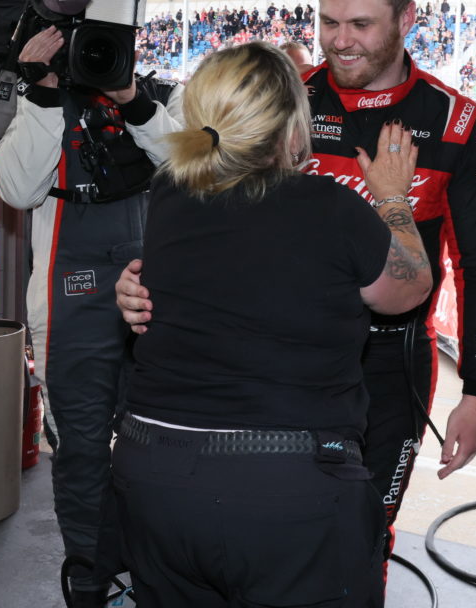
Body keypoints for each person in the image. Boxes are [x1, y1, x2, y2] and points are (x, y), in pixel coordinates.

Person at [118, 0, 476, 591]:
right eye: (328, 21)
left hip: (389, 374)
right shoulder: (279, 105)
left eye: (361, 24)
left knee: (363, 538)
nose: (341, 40)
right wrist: (139, 283)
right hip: (274, 384)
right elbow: (201, 219)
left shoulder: (453, 123)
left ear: (407, 19)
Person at [113, 41, 431, 607]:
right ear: (289, 130)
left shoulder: (169, 191)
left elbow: (195, 281)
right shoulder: (329, 206)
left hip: (154, 473)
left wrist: (133, 291)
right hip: (286, 489)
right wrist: (391, 200)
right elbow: (406, 289)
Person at [0, 24, 183, 606]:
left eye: (106, 42)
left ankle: (162, 571)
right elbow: (16, 188)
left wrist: (132, 99)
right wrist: (43, 93)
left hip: (155, 292)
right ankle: (90, 578)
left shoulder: (158, 96)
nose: (92, 56)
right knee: (82, 449)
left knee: (164, 441)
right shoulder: (38, 101)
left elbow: (198, 166)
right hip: (67, 300)